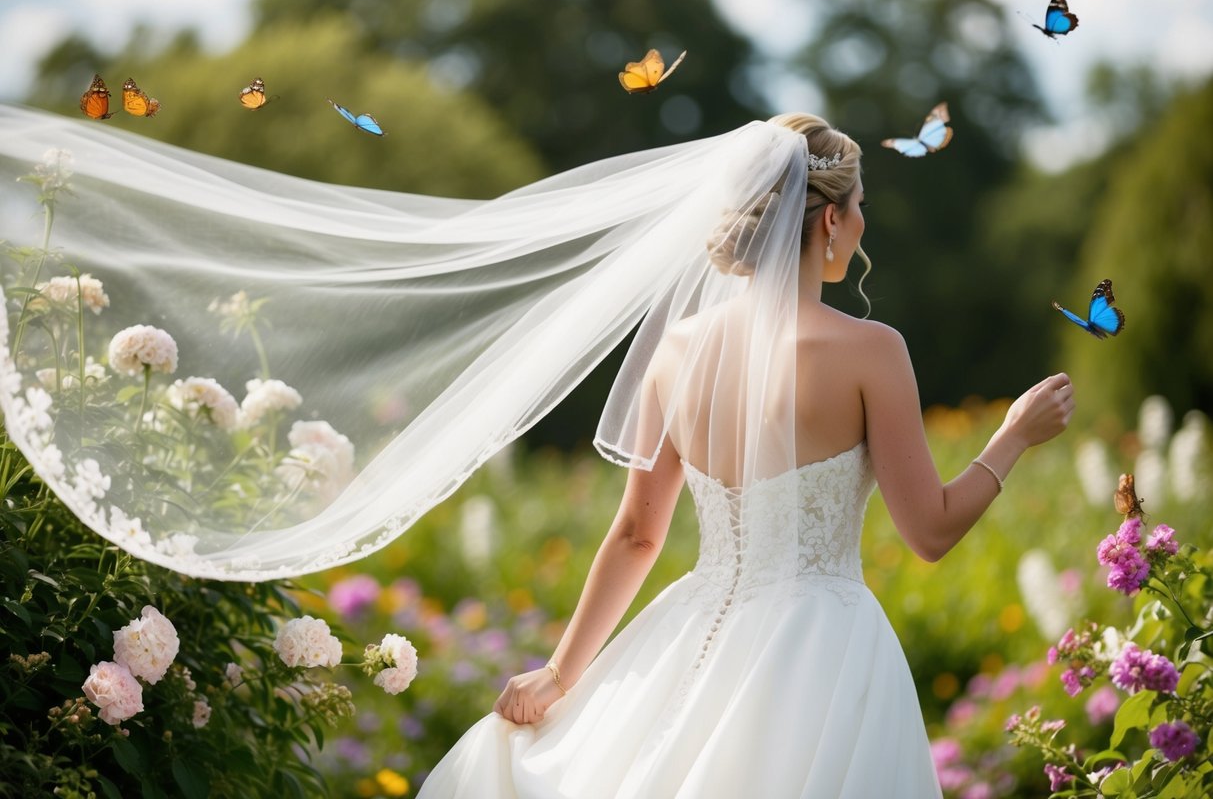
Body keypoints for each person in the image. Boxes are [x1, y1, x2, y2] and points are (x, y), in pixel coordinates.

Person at [416, 114, 1075, 798]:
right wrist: (1012, 438)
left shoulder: (676, 352)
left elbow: (638, 534)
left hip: (690, 633)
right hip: (822, 652)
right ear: (827, 222)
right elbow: (930, 532)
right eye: (859, 208)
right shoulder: (871, 352)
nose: (861, 226)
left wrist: (557, 674)